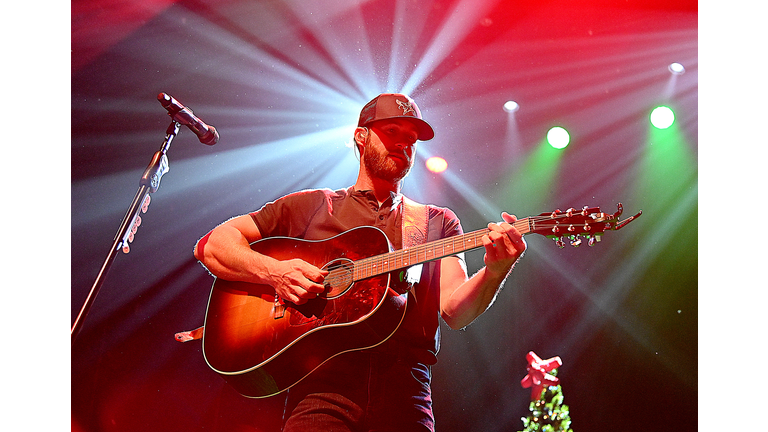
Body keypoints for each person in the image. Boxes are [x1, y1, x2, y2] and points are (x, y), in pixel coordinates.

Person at [193, 93, 527, 432]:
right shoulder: (310, 206)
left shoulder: (436, 222)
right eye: (392, 132)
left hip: (406, 393)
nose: (403, 145)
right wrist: (276, 272)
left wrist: (495, 271)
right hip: (322, 390)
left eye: (410, 140)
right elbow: (213, 245)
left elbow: (455, 311)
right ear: (361, 136)